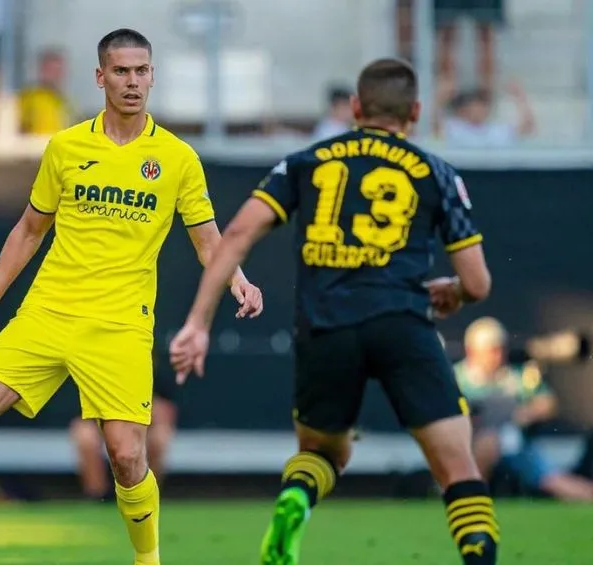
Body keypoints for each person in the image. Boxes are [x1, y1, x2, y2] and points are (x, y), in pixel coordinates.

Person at [0, 28, 264, 565]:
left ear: (152, 76)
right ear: (100, 77)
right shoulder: (66, 147)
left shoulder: (177, 158)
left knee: (127, 456)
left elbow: (206, 238)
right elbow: (29, 230)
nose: (132, 82)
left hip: (120, 324)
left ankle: (147, 559)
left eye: (141, 71)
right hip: (49, 311)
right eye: (121, 71)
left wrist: (237, 279)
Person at [170, 58, 498, 565]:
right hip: (402, 325)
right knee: (457, 466)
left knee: (323, 454)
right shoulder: (436, 171)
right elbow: (477, 282)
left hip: (326, 328)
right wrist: (455, 292)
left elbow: (236, 235)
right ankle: (477, 554)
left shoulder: (305, 162)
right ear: (415, 111)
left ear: (354, 107)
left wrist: (197, 323)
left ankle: (296, 498)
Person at [456, 317, 593, 502]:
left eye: (500, 349)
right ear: (472, 351)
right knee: (487, 444)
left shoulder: (516, 375)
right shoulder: (457, 378)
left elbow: (547, 404)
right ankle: (473, 501)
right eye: (491, 350)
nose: (498, 356)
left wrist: (523, 415)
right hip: (473, 449)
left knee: (555, 481)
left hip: (516, 448)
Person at [70, 352, 178, 500]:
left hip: (141, 427)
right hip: (105, 424)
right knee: (84, 434)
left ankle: (147, 496)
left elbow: (167, 411)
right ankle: (97, 496)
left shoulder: (155, 375)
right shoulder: (101, 372)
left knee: (160, 436)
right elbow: (85, 413)